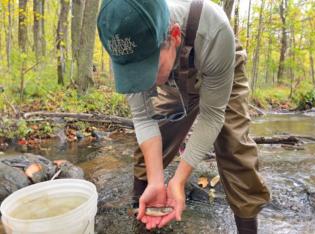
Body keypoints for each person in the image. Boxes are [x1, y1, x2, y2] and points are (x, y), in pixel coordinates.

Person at [97, 0, 270, 233]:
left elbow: (211, 116)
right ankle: (141, 214)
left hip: (217, 59)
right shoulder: (123, 42)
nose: (145, 82)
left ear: (175, 36)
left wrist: (178, 181)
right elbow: (143, 118)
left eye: (150, 69)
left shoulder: (214, 29)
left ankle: (248, 227)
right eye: (135, 73)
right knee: (153, 150)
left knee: (234, 148)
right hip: (171, 72)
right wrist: (158, 180)